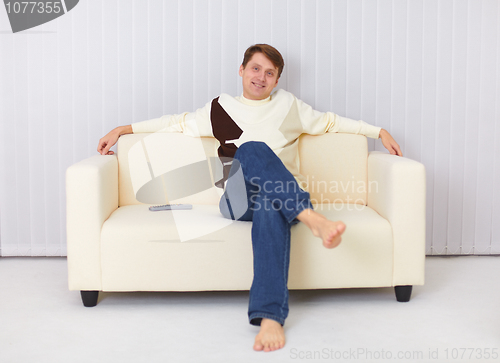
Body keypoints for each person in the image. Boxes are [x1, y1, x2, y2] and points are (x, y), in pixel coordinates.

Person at [97, 44, 402, 352]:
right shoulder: (220, 107)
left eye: (270, 73)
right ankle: (311, 218)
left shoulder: (289, 105)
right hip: (237, 198)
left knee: (272, 204)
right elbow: (174, 122)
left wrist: (378, 131)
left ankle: (270, 317)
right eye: (256, 68)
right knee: (252, 149)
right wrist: (124, 129)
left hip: (279, 197)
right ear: (241, 70)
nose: (261, 77)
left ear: (277, 80)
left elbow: (331, 122)